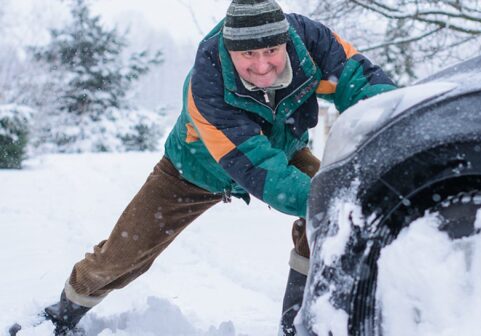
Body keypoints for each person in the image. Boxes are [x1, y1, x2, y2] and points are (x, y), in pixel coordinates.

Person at [41, 0, 396, 335]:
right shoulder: (207, 82)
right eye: (248, 54)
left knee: (326, 218)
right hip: (192, 171)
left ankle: (296, 325)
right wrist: (336, 195)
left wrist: (403, 132)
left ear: (286, 41)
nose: (262, 66)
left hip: (283, 149)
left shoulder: (311, 44)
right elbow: (258, 168)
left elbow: (364, 85)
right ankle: (59, 317)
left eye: (271, 50)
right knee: (122, 255)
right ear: (230, 50)